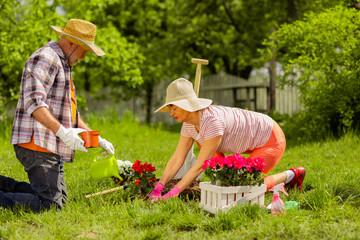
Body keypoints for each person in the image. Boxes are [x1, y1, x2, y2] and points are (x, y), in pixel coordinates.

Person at [0, 19, 115, 211]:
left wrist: (96, 138)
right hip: (36, 143)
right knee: (52, 205)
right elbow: (34, 102)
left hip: (50, 143)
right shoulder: (47, 58)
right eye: (84, 51)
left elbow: (70, 113)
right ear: (71, 43)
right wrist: (63, 132)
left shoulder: (63, 62)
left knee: (59, 199)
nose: (85, 57)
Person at [148, 78, 305, 200]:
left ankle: (293, 174)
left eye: (174, 108)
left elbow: (199, 166)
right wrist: (159, 187)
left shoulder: (212, 122)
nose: (171, 113)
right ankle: (227, 183)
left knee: (245, 188)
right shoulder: (189, 125)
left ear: (187, 105)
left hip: (269, 138)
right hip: (246, 141)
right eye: (170, 109)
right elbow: (177, 158)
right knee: (227, 187)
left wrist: (174, 192)